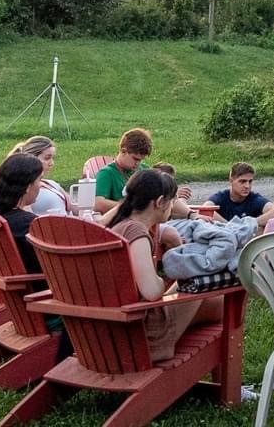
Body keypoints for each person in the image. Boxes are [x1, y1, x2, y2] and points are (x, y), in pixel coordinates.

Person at [105, 169, 221, 361]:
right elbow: (151, 292)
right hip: (146, 332)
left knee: (217, 304)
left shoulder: (119, 225)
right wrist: (167, 278)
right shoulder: (136, 232)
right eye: (172, 201)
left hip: (122, 323)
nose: (173, 206)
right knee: (200, 274)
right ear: (159, 202)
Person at [0, 152, 47, 273]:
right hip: (40, 283)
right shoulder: (27, 224)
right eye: (40, 179)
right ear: (28, 187)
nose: (42, 185)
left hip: (11, 279)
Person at [93, 128, 153, 217]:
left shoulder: (144, 169)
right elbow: (98, 204)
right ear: (123, 151)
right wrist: (131, 208)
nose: (138, 163)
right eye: (135, 159)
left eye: (141, 160)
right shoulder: (107, 173)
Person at [8, 136, 68, 216]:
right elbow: (27, 217)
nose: (51, 163)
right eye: (47, 158)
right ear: (31, 158)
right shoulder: (25, 188)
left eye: (53, 158)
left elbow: (75, 208)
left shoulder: (51, 183)